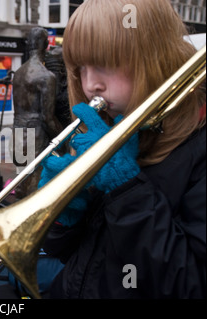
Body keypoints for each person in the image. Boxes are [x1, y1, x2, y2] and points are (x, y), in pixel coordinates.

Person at [39, 0, 205, 299]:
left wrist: (127, 188)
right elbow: (70, 255)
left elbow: (189, 285)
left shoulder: (198, 149)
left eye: (105, 63)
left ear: (155, 57)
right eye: (80, 68)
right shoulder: (110, 128)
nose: (90, 85)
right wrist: (62, 212)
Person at [12, 27, 63, 199]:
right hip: (36, 133)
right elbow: (47, 118)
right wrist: (64, 137)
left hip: (17, 129)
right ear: (46, 44)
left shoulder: (17, 74)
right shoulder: (46, 76)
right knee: (35, 187)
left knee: (21, 184)